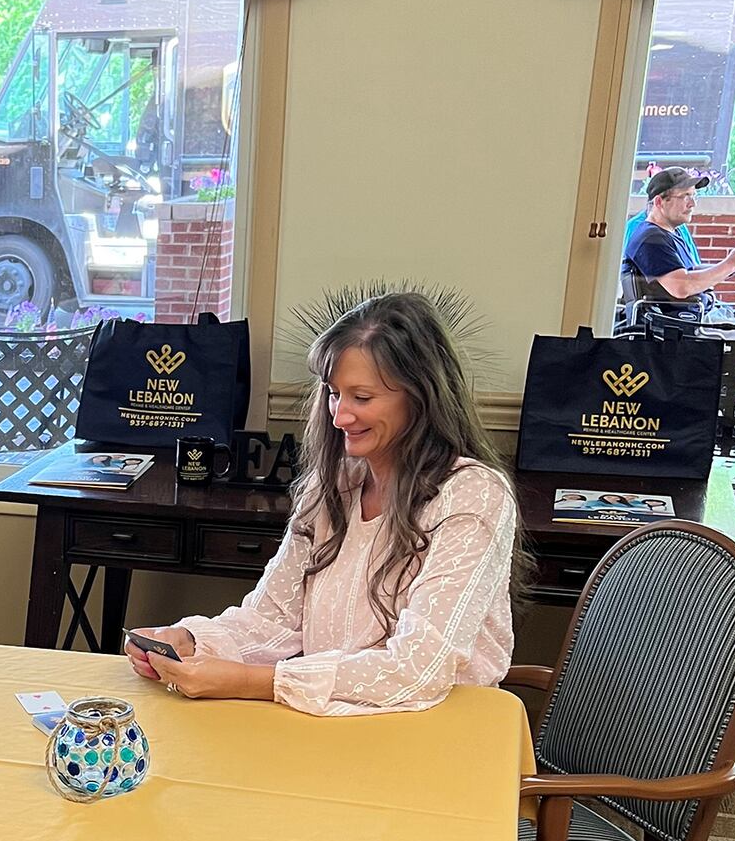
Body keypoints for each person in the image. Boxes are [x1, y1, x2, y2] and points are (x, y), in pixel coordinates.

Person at [125, 293, 519, 715]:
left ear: (421, 398)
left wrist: (255, 681)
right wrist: (188, 640)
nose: (339, 416)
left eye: (362, 398)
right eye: (334, 394)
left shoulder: (473, 495)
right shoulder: (332, 487)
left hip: (438, 730)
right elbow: (273, 619)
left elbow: (419, 669)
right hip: (335, 723)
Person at [623, 167, 735, 320]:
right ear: (659, 201)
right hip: (685, 325)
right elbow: (682, 287)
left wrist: (734, 267)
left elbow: (690, 270)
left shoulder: (672, 231)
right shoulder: (650, 239)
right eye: (685, 196)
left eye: (694, 195)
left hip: (705, 313)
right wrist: (732, 263)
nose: (693, 203)